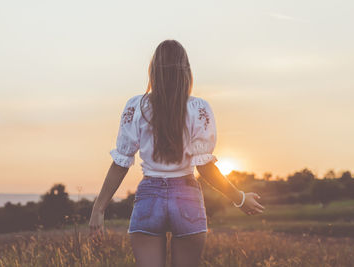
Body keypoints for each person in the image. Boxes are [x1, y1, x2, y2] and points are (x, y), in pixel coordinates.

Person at [89, 39, 265, 267]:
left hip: (149, 198)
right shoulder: (198, 109)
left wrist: (98, 209)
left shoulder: (136, 107)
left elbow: (120, 163)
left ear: (153, 71)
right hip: (187, 198)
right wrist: (240, 199)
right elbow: (205, 167)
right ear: (186, 72)